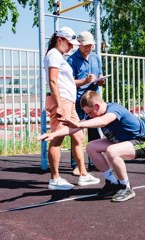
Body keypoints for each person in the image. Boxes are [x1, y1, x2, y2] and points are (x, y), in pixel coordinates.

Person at [39, 90, 145, 202]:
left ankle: (126, 187)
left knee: (112, 151)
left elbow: (103, 121)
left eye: (89, 113)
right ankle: (112, 183)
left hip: (141, 142)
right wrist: (53, 134)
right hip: (120, 142)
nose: (89, 116)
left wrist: (79, 124)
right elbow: (74, 128)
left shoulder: (114, 109)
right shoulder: (94, 114)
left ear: (96, 106)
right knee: (91, 147)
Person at [44, 27, 100, 190]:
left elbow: (66, 81)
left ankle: (83, 174)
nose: (71, 47)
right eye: (69, 44)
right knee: (57, 138)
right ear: (59, 40)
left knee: (78, 137)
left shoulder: (59, 56)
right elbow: (53, 81)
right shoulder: (54, 55)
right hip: (62, 102)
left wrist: (84, 82)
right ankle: (54, 179)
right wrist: (59, 106)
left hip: (68, 101)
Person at [67, 31, 104, 175]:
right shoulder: (72, 60)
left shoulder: (95, 58)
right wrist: (85, 81)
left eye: (91, 45)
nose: (89, 48)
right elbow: (69, 83)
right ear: (79, 46)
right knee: (77, 132)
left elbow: (100, 75)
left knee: (95, 131)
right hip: (79, 101)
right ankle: (76, 164)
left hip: (93, 100)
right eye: (86, 46)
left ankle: (94, 161)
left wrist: (101, 80)